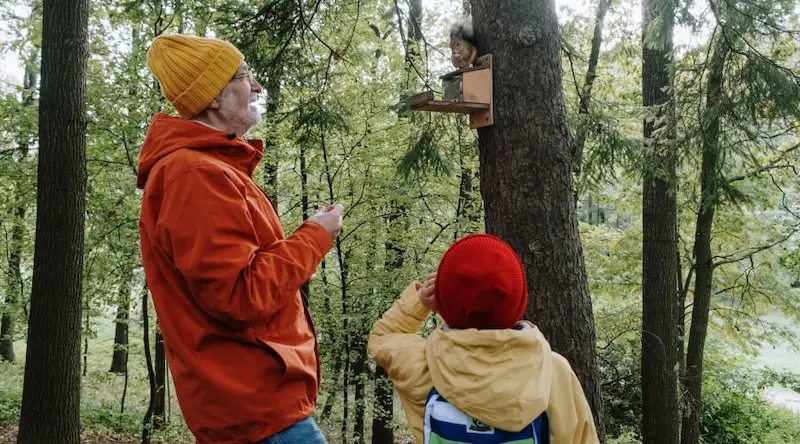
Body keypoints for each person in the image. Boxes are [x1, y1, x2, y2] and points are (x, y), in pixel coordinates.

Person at [137, 34, 341, 444]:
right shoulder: (195, 175)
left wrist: (299, 255)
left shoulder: (207, 168)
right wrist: (316, 237)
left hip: (255, 404)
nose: (258, 87)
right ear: (214, 96)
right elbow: (240, 296)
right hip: (256, 409)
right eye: (245, 76)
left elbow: (242, 278)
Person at [368, 234, 600, 444]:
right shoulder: (553, 373)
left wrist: (421, 300)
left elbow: (383, 336)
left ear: (445, 303)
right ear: (519, 302)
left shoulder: (422, 365)